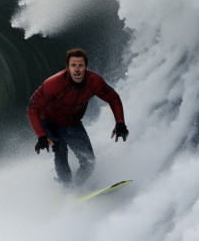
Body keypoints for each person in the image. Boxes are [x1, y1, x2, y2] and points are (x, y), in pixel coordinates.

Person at [28, 48, 128, 187]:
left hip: (71, 123)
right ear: (67, 67)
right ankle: (66, 186)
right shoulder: (54, 83)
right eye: (73, 65)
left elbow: (113, 97)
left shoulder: (94, 82)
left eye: (80, 65)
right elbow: (33, 108)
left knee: (89, 161)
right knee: (60, 149)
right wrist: (41, 136)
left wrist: (120, 123)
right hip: (48, 121)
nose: (77, 70)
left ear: (85, 67)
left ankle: (75, 187)